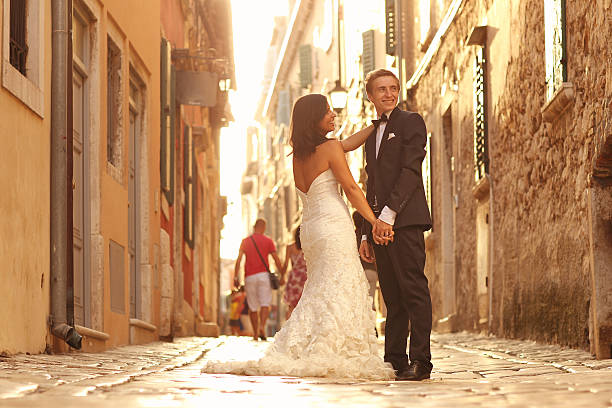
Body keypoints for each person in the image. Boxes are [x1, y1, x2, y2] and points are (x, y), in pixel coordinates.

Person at [204, 94, 394, 380]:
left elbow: (346, 144)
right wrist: (375, 220)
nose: (333, 115)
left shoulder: (302, 156)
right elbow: (352, 189)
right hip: (333, 226)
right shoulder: (329, 149)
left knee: (322, 285)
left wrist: (376, 125)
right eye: (327, 111)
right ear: (313, 119)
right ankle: (333, 346)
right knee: (340, 283)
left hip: (312, 230)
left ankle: (316, 341)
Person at [358, 69, 433, 381]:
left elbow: (411, 170)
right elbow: (370, 184)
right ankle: (395, 360)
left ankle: (421, 362)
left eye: (392, 88)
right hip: (377, 227)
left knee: (414, 289)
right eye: (381, 89)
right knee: (391, 296)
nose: (388, 94)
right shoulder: (370, 135)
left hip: (405, 221)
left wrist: (388, 216)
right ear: (370, 96)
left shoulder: (411, 122)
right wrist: (365, 231)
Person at [233, 219, 283, 341]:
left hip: (249, 277)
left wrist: (236, 277)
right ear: (264, 228)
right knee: (265, 303)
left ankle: (255, 333)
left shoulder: (245, 241)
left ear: (254, 227)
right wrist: (282, 274)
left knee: (253, 307)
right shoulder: (268, 241)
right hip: (263, 276)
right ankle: (261, 326)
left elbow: (239, 260)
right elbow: (276, 259)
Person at [352, 212, 378, 314]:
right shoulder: (369, 235)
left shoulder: (352, 236)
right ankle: (372, 324)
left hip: (360, 271)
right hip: (372, 271)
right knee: (370, 298)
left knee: (360, 300)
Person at [280, 226, 307, 320]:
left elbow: (286, 264)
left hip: (294, 278)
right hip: (305, 278)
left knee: (291, 306)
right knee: (303, 305)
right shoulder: (307, 247)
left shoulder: (290, 247)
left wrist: (282, 276)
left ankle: (288, 328)